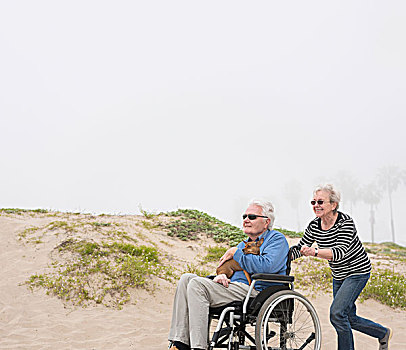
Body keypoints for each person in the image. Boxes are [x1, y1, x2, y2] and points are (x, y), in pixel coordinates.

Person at [168, 199, 289, 350]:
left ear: (266, 222)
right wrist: (220, 276)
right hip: (233, 287)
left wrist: (236, 253)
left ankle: (198, 347)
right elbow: (228, 267)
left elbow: (267, 266)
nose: (246, 220)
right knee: (186, 279)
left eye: (252, 217)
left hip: (256, 290)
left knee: (197, 285)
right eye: (244, 216)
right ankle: (180, 342)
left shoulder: (276, 239)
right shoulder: (243, 244)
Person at [291, 184, 392, 350]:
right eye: (313, 202)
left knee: (337, 314)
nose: (316, 205)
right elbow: (300, 248)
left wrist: (314, 252)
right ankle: (382, 333)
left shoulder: (345, 223)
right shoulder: (314, 226)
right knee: (348, 317)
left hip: (357, 272)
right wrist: (281, 257)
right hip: (339, 274)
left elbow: (340, 252)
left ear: (333, 205)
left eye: (320, 202)